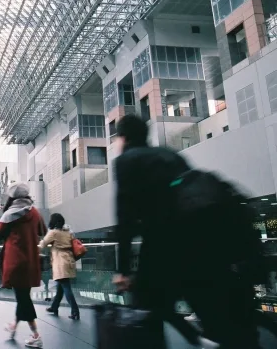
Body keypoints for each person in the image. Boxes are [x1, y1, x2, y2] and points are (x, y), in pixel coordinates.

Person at [112, 114, 258, 349]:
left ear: (124, 138)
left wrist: (123, 270)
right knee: (209, 305)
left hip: (163, 244)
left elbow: (125, 219)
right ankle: (213, 339)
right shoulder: (169, 155)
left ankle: (197, 340)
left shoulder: (126, 160)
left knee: (146, 300)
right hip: (204, 242)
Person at [0, 183, 46, 348]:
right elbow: (42, 231)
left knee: (23, 298)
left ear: (12, 197)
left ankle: (36, 335)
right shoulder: (35, 212)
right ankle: (14, 326)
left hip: (15, 261)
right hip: (31, 261)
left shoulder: (9, 214)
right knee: (23, 295)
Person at [40, 213, 79, 319]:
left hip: (60, 262)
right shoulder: (68, 232)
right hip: (69, 260)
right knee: (60, 287)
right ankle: (54, 307)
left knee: (66, 288)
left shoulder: (53, 232)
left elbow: (43, 244)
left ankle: (75, 311)